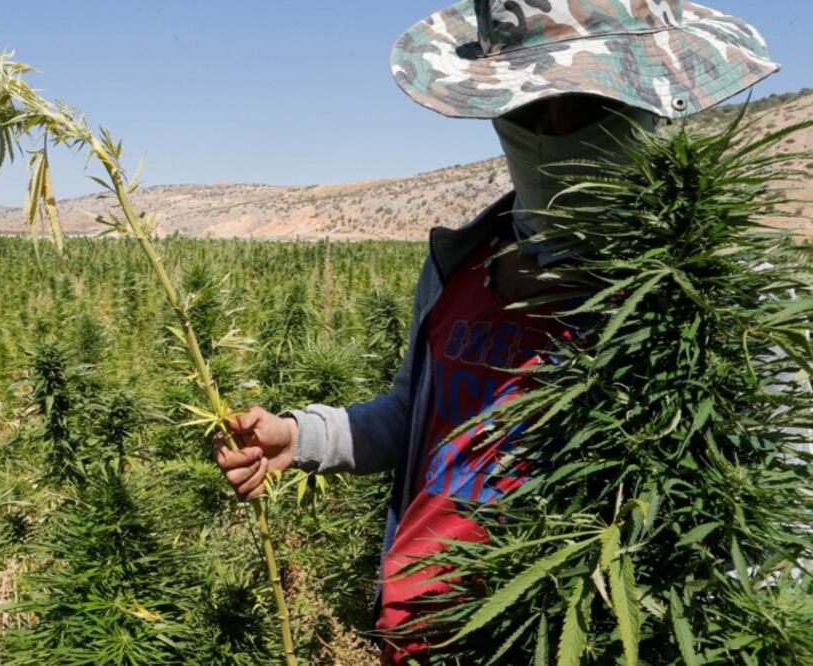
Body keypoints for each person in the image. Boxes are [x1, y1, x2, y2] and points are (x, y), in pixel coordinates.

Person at [215, 1, 778, 662]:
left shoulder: (713, 292)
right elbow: (414, 416)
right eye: (527, 107)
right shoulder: (464, 260)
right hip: (421, 629)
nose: (555, 128)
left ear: (648, 101)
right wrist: (303, 436)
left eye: (585, 102)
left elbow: (768, 530)